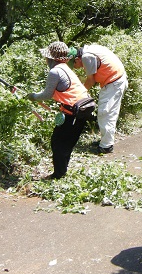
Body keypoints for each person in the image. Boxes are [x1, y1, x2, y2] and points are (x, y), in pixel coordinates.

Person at [27, 41, 93, 179]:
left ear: (50, 58)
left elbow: (46, 95)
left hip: (72, 112)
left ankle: (58, 175)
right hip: (83, 108)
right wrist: (37, 95)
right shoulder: (65, 68)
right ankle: (61, 172)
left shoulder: (55, 71)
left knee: (58, 143)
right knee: (66, 143)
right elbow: (50, 91)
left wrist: (32, 96)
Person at [72, 44, 128, 154]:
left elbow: (91, 81)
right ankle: (105, 141)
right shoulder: (88, 51)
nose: (75, 67)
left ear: (77, 59)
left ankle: (106, 146)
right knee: (106, 113)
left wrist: (79, 94)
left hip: (114, 83)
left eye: (74, 64)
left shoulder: (86, 57)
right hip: (114, 81)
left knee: (105, 113)